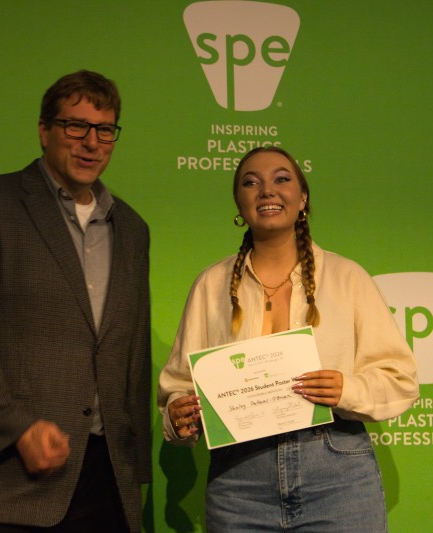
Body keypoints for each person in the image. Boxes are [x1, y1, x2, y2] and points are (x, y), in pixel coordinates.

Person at [0, 70, 151, 532]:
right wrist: (17, 428)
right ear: (44, 130)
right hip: (11, 478)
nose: (91, 143)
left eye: (105, 130)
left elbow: (132, 354)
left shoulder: (132, 228)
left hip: (108, 482)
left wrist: (135, 470)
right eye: (76, 126)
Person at [158, 146, 419, 532]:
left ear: (303, 198)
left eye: (281, 179)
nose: (267, 190)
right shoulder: (210, 286)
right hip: (239, 482)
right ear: (239, 204)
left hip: (337, 476)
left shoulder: (348, 278)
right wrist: (178, 416)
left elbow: (400, 380)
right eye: (251, 183)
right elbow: (179, 386)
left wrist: (346, 389)